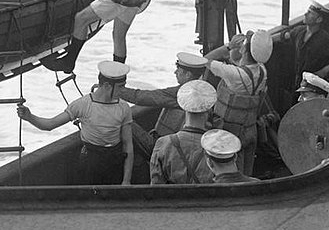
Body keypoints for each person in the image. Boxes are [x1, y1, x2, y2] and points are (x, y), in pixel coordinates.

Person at [17, 61, 133, 185]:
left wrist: (126, 180)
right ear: (106, 86)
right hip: (90, 161)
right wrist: (29, 117)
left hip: (114, 161)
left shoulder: (123, 107)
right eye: (121, 87)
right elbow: (49, 125)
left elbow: (128, 145)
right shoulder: (83, 105)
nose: (123, 90)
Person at [114, 52, 211, 158]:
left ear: (188, 75)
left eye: (178, 70)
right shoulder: (203, 91)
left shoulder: (181, 93)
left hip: (160, 147)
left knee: (122, 120)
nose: (175, 72)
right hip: (177, 146)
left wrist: (117, 90)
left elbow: (142, 97)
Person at [204, 30, 273, 176]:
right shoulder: (262, 71)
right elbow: (241, 65)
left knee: (235, 175)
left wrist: (229, 46)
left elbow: (206, 59)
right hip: (251, 129)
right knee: (247, 173)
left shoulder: (234, 74)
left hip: (233, 132)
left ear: (244, 49)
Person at [149, 80, 217, 184]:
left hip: (172, 199)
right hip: (203, 198)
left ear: (183, 107)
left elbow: (156, 184)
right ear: (209, 112)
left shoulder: (163, 143)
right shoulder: (216, 147)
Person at [276, 1, 329, 113]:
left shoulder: (325, 40)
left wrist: (323, 72)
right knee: (294, 111)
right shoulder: (300, 31)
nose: (305, 14)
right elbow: (284, 35)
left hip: (314, 87)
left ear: (319, 20)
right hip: (297, 82)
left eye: (310, 13)